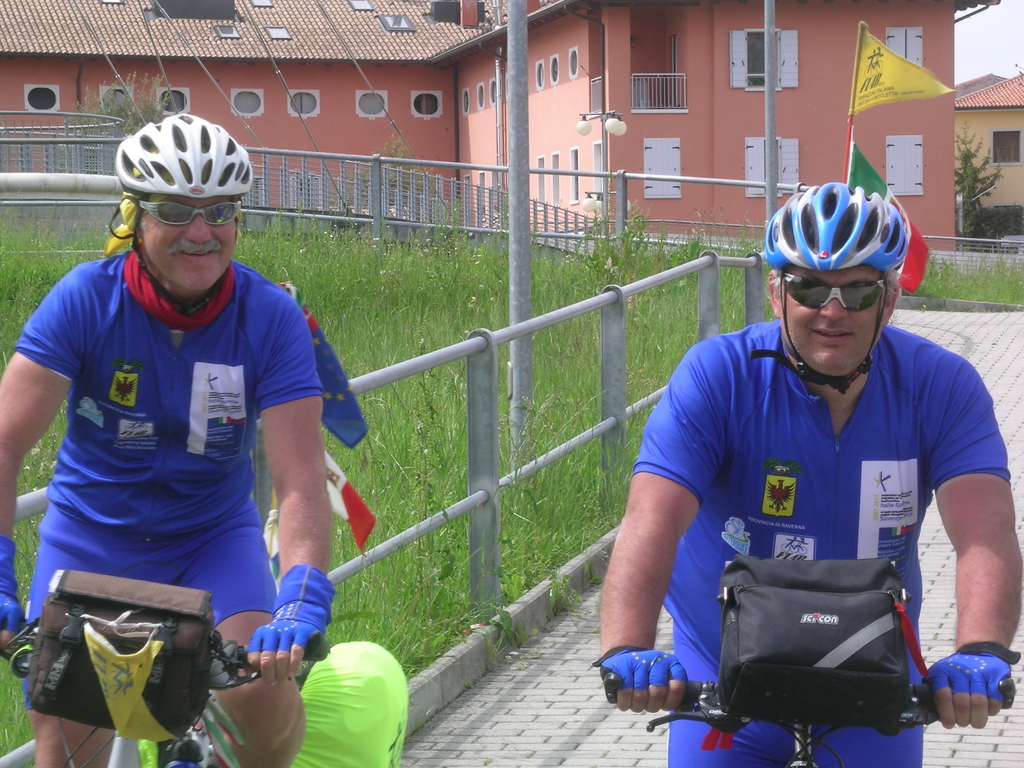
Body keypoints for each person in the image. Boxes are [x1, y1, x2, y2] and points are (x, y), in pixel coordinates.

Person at [597, 183, 1022, 767]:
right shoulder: (718, 376)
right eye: (810, 286)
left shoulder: (941, 385)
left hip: (870, 660)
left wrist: (980, 648)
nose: (832, 309)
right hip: (724, 666)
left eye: (858, 290)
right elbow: (650, 522)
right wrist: (627, 645)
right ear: (777, 294)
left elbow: (985, 535)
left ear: (889, 299)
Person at [0, 114, 335, 768]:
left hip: (210, 539)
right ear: (137, 215)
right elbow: (5, 443)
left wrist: (301, 590)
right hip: (92, 538)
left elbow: (299, 479)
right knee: (67, 739)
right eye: (177, 211)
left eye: (219, 211)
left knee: (261, 704)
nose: (202, 233)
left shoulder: (269, 316)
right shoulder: (84, 301)